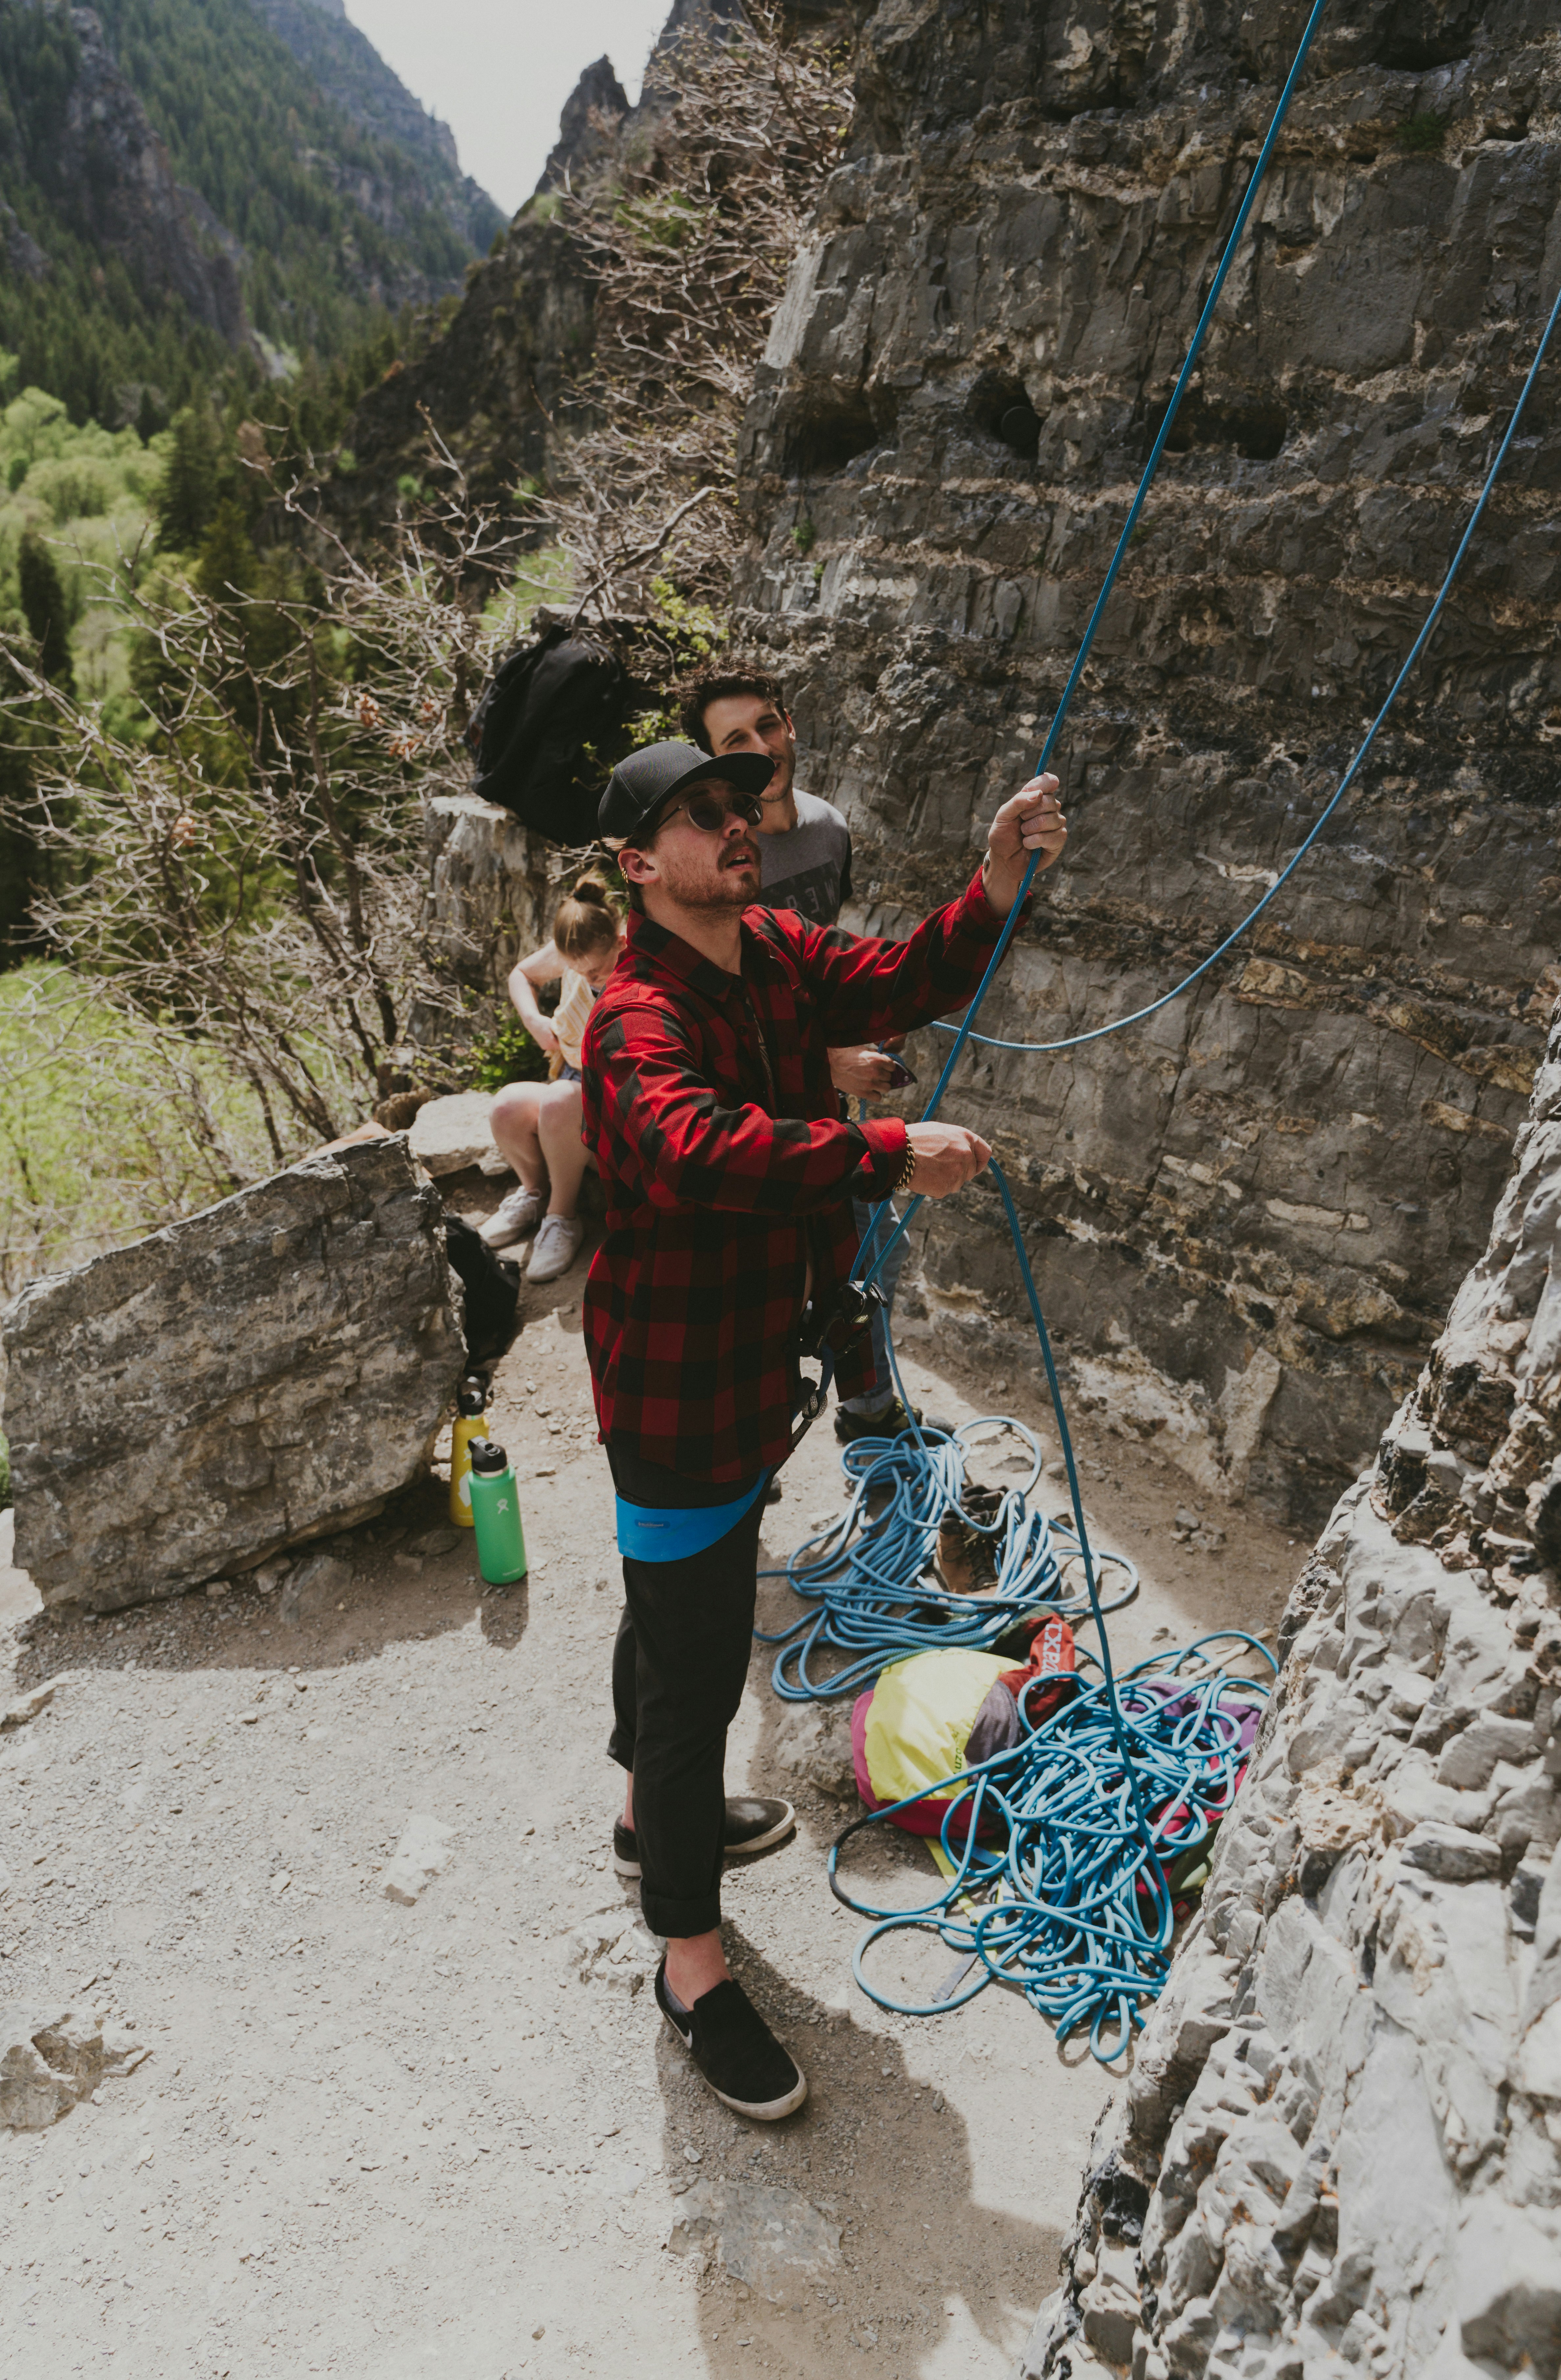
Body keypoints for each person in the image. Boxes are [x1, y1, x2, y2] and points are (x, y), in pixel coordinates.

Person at [580, 734, 1066, 2119]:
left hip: (742, 1383)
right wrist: (883, 1152)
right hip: (675, 1395)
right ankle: (687, 1956)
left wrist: (991, 879)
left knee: (679, 1608)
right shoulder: (633, 1017)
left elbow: (908, 975)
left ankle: (639, 1820)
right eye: (700, 817)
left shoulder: (775, 954)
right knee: (694, 1673)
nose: (738, 829)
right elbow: (697, 1146)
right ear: (637, 862)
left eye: (742, 809)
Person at [679, 660, 914, 1443]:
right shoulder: (715, 861)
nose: (764, 747)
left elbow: (809, 970)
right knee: (769, 1279)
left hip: (816, 1098)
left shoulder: (827, 827)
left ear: (791, 723)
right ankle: (754, 1442)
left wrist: (863, 1019)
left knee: (864, 1250)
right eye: (736, 738)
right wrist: (829, 1062)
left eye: (768, 724)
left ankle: (868, 1416)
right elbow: (705, 1020)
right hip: (743, 1118)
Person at [481, 873, 626, 1284]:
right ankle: (533, 1191)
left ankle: (562, 1218)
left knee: (562, 1098)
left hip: (620, 1108)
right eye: (577, 969)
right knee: (507, 1106)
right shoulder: (577, 950)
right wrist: (534, 1020)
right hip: (573, 1081)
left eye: (596, 970)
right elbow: (522, 975)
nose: (589, 977)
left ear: (619, 939)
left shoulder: (641, 953)